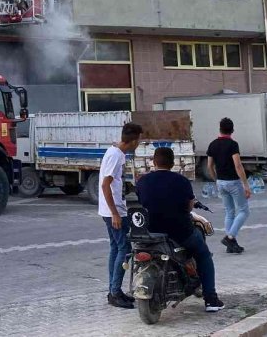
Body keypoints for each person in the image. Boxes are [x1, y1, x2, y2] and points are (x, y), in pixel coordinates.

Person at [137, 146, 224, 312]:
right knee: (203, 254)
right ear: (172, 163)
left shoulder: (142, 181)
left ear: (154, 162)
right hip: (180, 231)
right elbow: (190, 204)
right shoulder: (181, 181)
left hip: (152, 232)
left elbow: (143, 202)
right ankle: (211, 299)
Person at [99, 122, 142, 309]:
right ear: (133, 140)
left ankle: (114, 291)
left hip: (114, 209)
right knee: (124, 249)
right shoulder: (115, 156)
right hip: (114, 211)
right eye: (139, 139)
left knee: (116, 248)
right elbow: (105, 185)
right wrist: (115, 213)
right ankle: (115, 292)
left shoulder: (116, 152)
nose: (139, 143)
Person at [206, 118, 251, 253]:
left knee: (229, 212)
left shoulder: (212, 144)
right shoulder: (232, 144)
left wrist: (216, 179)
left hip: (221, 182)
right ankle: (230, 237)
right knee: (244, 210)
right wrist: (246, 185)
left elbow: (209, 166)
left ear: (219, 128)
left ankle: (231, 245)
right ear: (232, 130)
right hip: (233, 182)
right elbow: (238, 165)